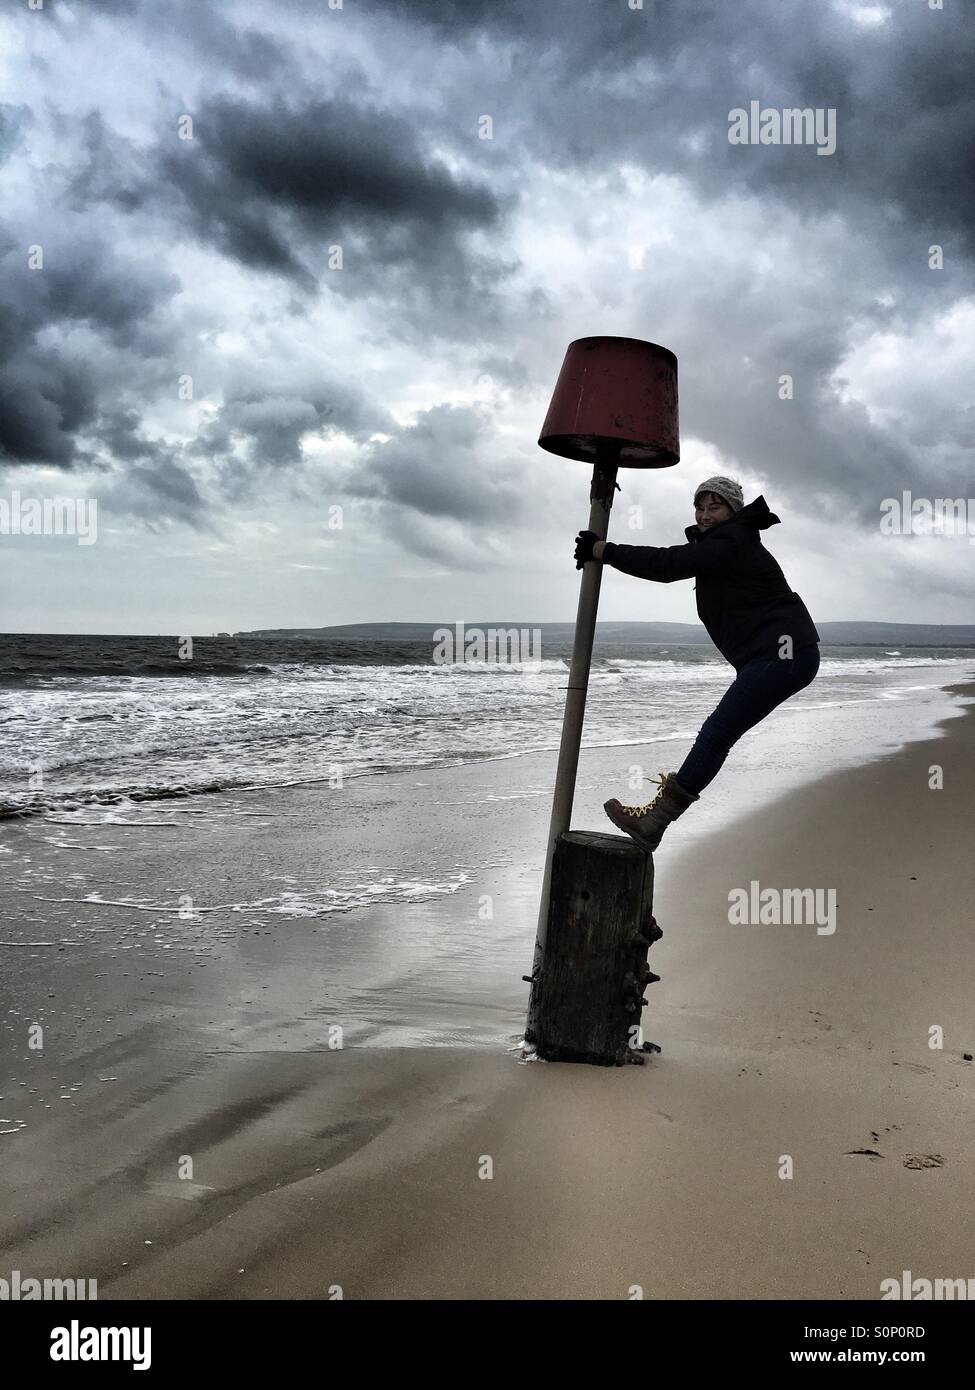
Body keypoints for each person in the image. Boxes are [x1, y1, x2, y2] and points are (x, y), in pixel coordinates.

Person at [574, 475, 820, 851]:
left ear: (733, 511)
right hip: (776, 654)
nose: (704, 515)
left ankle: (655, 822)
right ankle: (655, 823)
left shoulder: (732, 540)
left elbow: (668, 564)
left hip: (782, 654)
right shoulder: (727, 541)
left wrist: (605, 551)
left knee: (717, 733)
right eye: (700, 507)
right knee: (719, 733)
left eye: (715, 507)